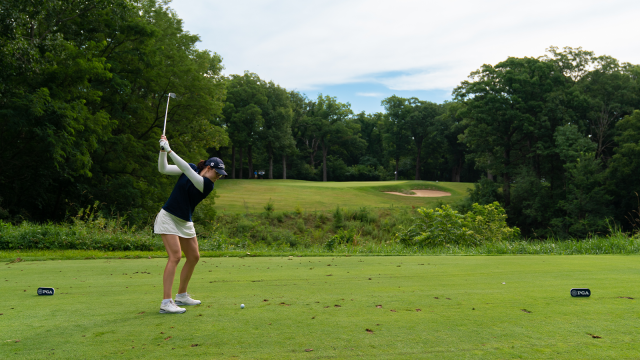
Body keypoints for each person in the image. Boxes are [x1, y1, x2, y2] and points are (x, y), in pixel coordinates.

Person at [154, 135, 226, 314]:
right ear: (209, 168)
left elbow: (186, 169)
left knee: (194, 256)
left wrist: (169, 149)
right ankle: (166, 302)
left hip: (185, 221)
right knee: (176, 257)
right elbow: (163, 169)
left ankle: (181, 296)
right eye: (217, 173)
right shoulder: (193, 169)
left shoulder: (206, 185)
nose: (218, 177)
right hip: (169, 217)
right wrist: (163, 152)